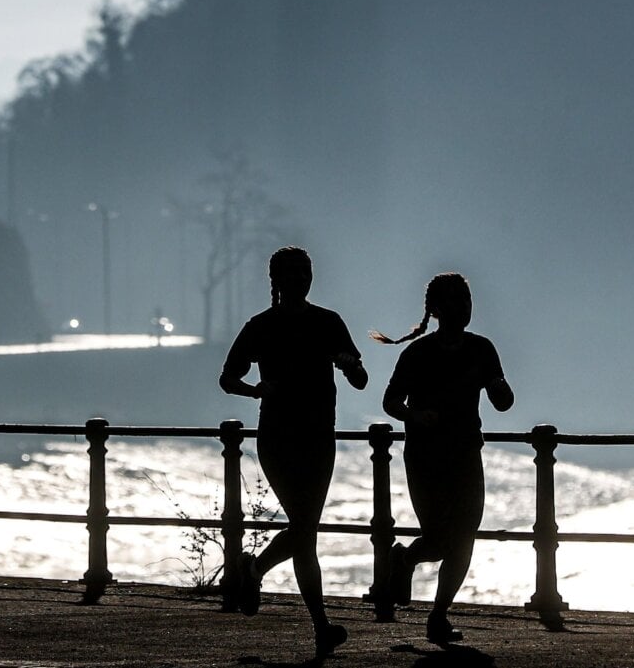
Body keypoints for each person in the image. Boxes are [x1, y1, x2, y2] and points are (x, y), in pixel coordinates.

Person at [219, 245, 368, 660]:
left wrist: (348, 364)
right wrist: (257, 390)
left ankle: (313, 620)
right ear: (279, 281)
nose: (300, 280)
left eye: (304, 272)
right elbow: (229, 378)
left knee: (305, 533)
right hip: (296, 437)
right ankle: (267, 579)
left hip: (308, 437)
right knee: (305, 528)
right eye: (294, 274)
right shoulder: (281, 325)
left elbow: (360, 377)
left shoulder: (315, 324)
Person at [375, 271, 514, 645]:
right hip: (425, 456)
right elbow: (390, 401)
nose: (464, 309)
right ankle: (404, 559)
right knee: (439, 539)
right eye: (455, 301)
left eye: (467, 301)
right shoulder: (417, 353)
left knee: (464, 539)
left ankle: (438, 615)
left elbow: (503, 400)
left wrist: (500, 387)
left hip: (467, 453)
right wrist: (415, 416)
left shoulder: (482, 349)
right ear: (436, 310)